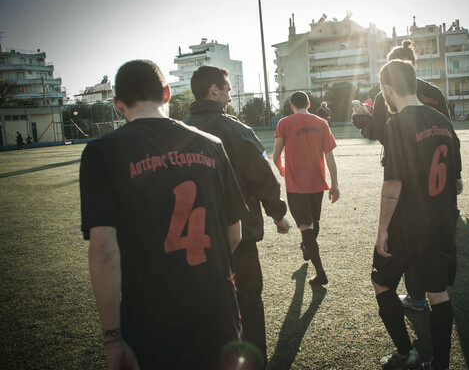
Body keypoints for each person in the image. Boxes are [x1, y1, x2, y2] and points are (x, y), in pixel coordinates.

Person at [80, 60, 248, 369]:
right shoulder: (212, 145)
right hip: (216, 312)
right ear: (167, 93)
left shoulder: (100, 152)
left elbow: (104, 252)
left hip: (150, 321)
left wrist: (112, 338)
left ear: (118, 105)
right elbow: (234, 234)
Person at [185, 65, 290, 368]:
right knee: (248, 302)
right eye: (228, 88)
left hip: (194, 238)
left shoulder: (178, 130)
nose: (231, 93)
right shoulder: (234, 128)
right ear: (214, 90)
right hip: (238, 234)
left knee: (205, 305)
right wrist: (277, 213)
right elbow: (263, 178)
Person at [372, 60, 462, 370]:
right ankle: (440, 364)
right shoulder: (442, 120)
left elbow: (394, 182)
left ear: (387, 88)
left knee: (382, 282)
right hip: (441, 221)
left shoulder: (397, 123)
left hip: (407, 225)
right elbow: (458, 181)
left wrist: (382, 229)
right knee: (438, 294)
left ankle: (405, 352)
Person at [353, 40, 450, 311]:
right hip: (437, 177)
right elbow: (449, 134)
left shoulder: (389, 97)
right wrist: (457, 174)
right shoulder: (434, 95)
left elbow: (384, 133)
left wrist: (363, 123)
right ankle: (428, 293)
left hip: (404, 172)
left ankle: (417, 295)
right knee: (429, 237)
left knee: (407, 234)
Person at [273, 91, 340, 286]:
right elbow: (330, 157)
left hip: (296, 185)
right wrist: (334, 184)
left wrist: (281, 169)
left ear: (291, 105)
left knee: (306, 226)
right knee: (313, 223)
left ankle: (321, 273)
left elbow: (276, 155)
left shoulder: (284, 123)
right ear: (309, 104)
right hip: (317, 184)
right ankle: (306, 247)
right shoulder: (322, 123)